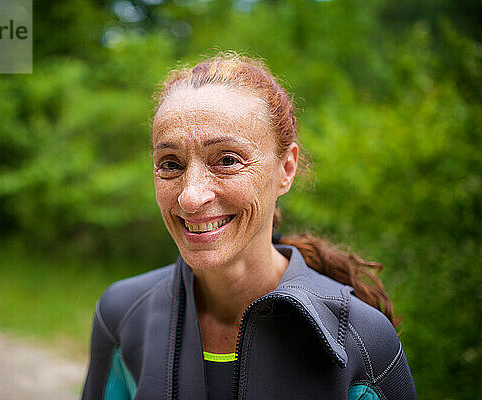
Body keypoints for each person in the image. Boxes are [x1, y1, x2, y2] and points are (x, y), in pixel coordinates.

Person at [81, 54, 417, 400]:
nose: (191, 197)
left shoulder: (362, 340)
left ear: (286, 169)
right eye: (170, 164)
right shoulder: (121, 315)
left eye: (227, 160)